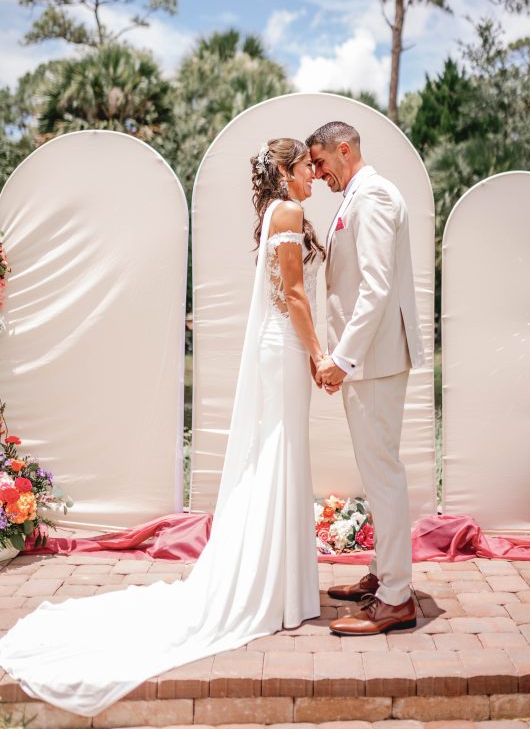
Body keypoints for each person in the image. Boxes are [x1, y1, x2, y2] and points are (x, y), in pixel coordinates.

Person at [0, 138, 326, 716]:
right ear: (284, 170)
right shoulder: (290, 212)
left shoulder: (272, 213)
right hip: (286, 350)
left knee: (279, 454)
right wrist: (319, 353)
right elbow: (294, 293)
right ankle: (274, 587)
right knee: (280, 452)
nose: (312, 177)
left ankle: (279, 584)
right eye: (306, 167)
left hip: (279, 350)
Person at [306, 120, 424, 636]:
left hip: (373, 361)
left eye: (319, 161)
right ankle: (384, 575)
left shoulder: (372, 196)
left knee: (382, 473)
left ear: (344, 149)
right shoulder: (358, 195)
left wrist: (342, 359)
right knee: (378, 471)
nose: (316, 172)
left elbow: (375, 289)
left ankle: (397, 598)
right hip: (368, 361)